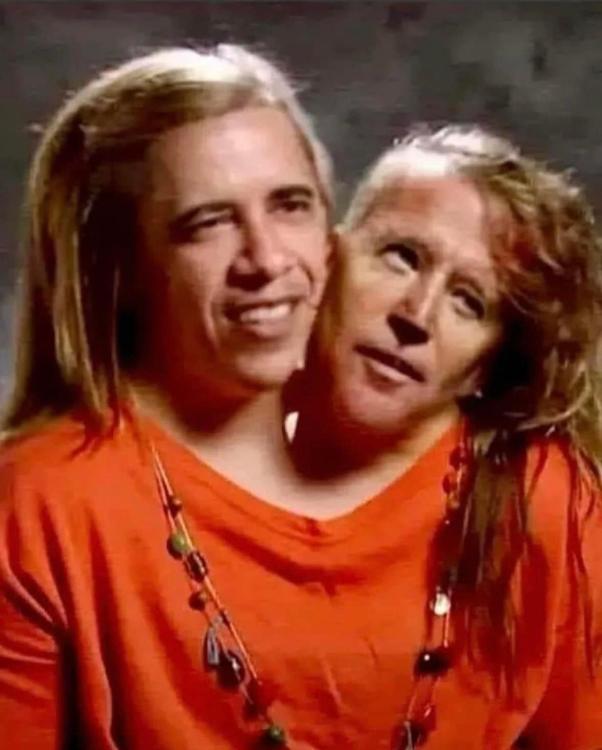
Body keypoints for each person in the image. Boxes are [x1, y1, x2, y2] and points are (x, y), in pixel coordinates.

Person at [0, 44, 334, 748]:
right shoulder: (38, 508)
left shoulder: (416, 461)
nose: (268, 260)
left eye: (291, 205)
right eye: (207, 223)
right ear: (118, 271)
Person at [286, 125, 602, 748]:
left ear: (485, 369)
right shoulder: (197, 444)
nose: (417, 316)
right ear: (329, 256)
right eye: (402, 256)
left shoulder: (543, 504)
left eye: (469, 302)